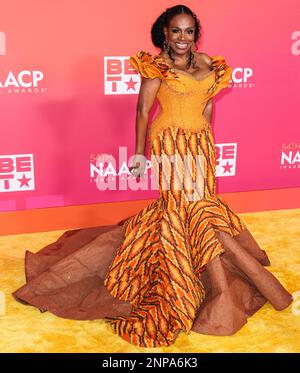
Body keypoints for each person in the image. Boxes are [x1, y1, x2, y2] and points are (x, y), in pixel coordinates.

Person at [13, 5, 293, 348]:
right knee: (179, 207)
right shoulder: (156, 66)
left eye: (189, 31)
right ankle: (177, 277)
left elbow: (208, 102)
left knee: (202, 207)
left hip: (200, 144)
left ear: (195, 34)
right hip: (169, 142)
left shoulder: (209, 64)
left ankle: (205, 270)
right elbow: (143, 111)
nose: (182, 38)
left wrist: (205, 134)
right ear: (164, 33)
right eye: (176, 31)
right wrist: (140, 153)